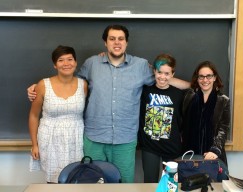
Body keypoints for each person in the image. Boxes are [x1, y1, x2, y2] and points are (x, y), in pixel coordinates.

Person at [27, 24, 190, 183]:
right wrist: (40, 86)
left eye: (121, 39)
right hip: (94, 139)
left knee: (125, 184)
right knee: (93, 183)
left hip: (125, 140)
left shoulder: (140, 66)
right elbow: (70, 81)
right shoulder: (92, 64)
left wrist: (195, 86)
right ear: (105, 42)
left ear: (126, 42)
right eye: (112, 39)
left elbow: (164, 78)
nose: (117, 42)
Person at [28, 45, 88, 183]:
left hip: (76, 139)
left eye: (70, 59)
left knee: (76, 179)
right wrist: (34, 144)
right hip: (50, 140)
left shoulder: (83, 85)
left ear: (76, 62)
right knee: (53, 181)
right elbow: (34, 116)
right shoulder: (43, 85)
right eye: (61, 60)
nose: (66, 64)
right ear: (55, 65)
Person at [138, 53, 183, 183]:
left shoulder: (179, 94)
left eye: (167, 73)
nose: (162, 77)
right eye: (159, 72)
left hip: (171, 147)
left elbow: (182, 120)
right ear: (154, 71)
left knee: (170, 185)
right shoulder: (144, 91)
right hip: (149, 146)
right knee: (150, 183)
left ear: (173, 74)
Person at [181, 61, 230, 169]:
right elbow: (182, 123)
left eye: (209, 76)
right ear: (197, 78)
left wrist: (215, 150)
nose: (205, 80)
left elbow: (224, 128)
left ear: (214, 78)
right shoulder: (188, 96)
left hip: (212, 156)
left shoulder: (223, 101)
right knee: (189, 184)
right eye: (201, 77)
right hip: (190, 155)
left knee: (213, 185)